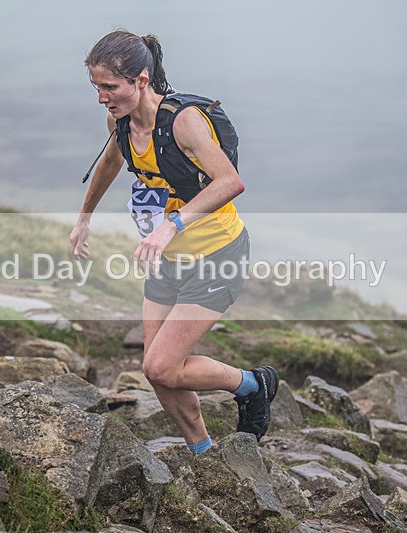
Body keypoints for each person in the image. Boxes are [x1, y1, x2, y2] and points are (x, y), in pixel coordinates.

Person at [69, 30, 279, 455]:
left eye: (110, 87)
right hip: (166, 261)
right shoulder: (120, 123)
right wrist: (84, 217)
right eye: (96, 87)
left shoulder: (184, 121)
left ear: (141, 80)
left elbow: (230, 182)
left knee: (162, 365)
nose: (101, 98)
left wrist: (171, 226)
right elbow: (110, 162)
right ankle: (203, 453)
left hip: (217, 254)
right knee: (158, 372)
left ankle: (252, 385)